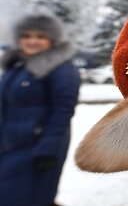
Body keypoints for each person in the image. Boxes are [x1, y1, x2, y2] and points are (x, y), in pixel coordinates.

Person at [0, 14, 80, 206]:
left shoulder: (62, 69)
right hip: (8, 146)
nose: (32, 41)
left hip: (37, 149)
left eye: (40, 36)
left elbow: (63, 111)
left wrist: (48, 149)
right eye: (26, 36)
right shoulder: (17, 67)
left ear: (52, 40)